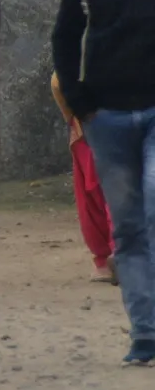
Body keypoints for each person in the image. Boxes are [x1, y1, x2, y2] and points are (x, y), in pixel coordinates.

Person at [52, 0, 155, 363]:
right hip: (108, 120)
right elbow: (64, 38)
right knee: (129, 230)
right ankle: (145, 336)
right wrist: (81, 103)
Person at [51, 71, 117, 284]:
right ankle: (114, 256)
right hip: (93, 130)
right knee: (108, 192)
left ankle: (107, 260)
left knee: (99, 194)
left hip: (86, 129)